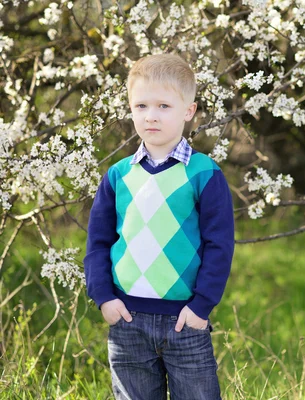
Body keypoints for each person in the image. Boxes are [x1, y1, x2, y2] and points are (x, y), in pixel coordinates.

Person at [84, 53, 234, 400]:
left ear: (188, 111)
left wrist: (201, 307)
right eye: (141, 106)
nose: (151, 116)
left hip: (185, 320)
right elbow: (98, 242)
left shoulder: (203, 173)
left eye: (164, 105)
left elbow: (219, 245)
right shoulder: (119, 175)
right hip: (127, 320)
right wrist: (104, 297)